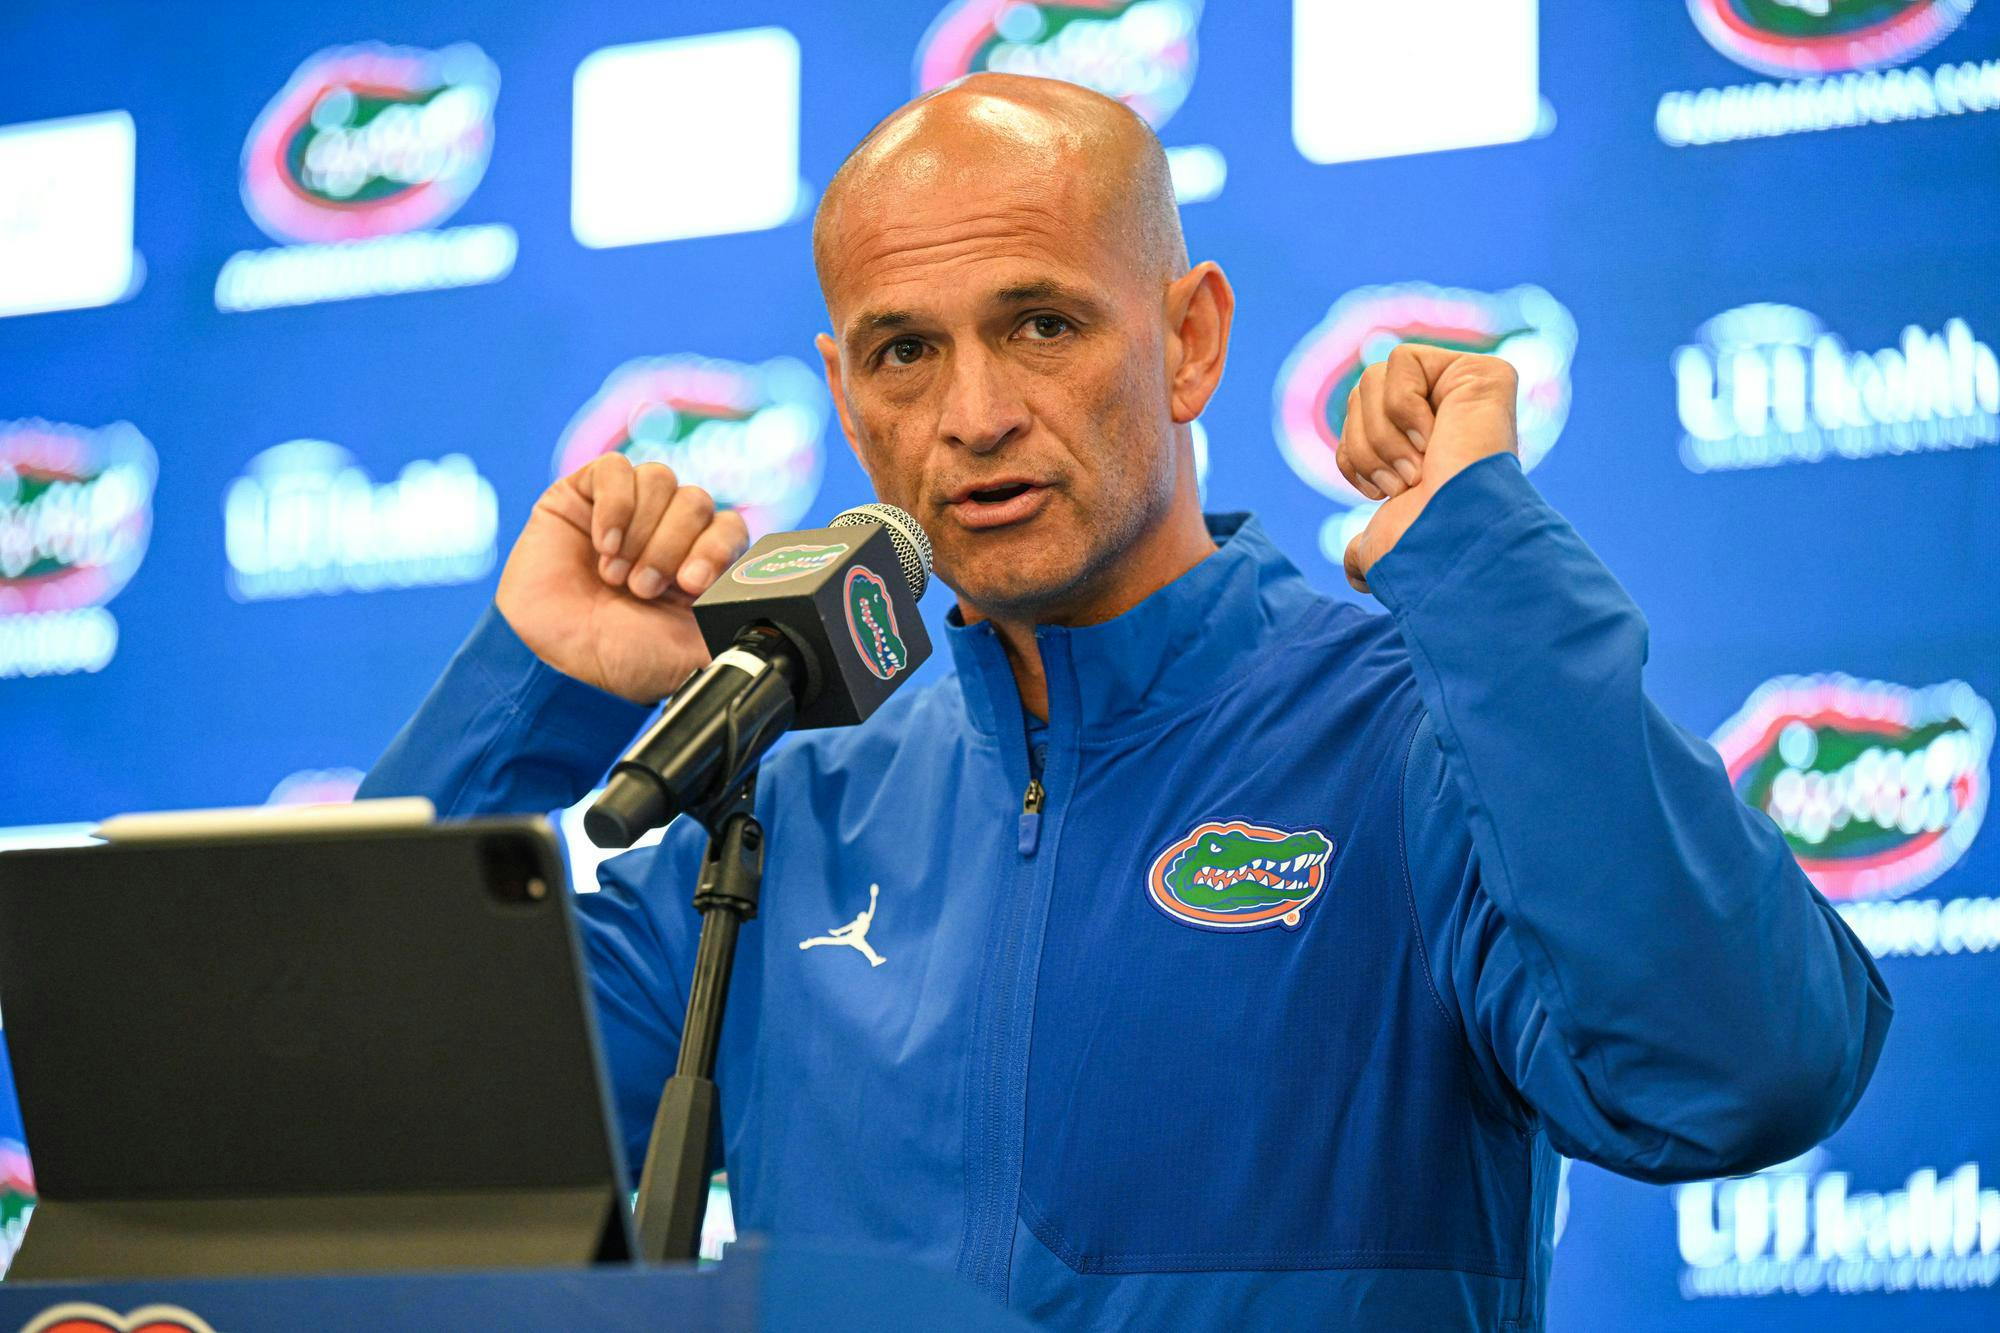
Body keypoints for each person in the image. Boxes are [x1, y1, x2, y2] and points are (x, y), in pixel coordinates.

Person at [362, 74, 1891, 1330]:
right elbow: (366, 1133)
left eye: (1041, 322)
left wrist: (1484, 570)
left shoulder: (1417, 735)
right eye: (906, 351)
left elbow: (1740, 1075)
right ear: (846, 394)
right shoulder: (784, 798)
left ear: (1191, 338)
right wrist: (533, 688)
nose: (974, 415)